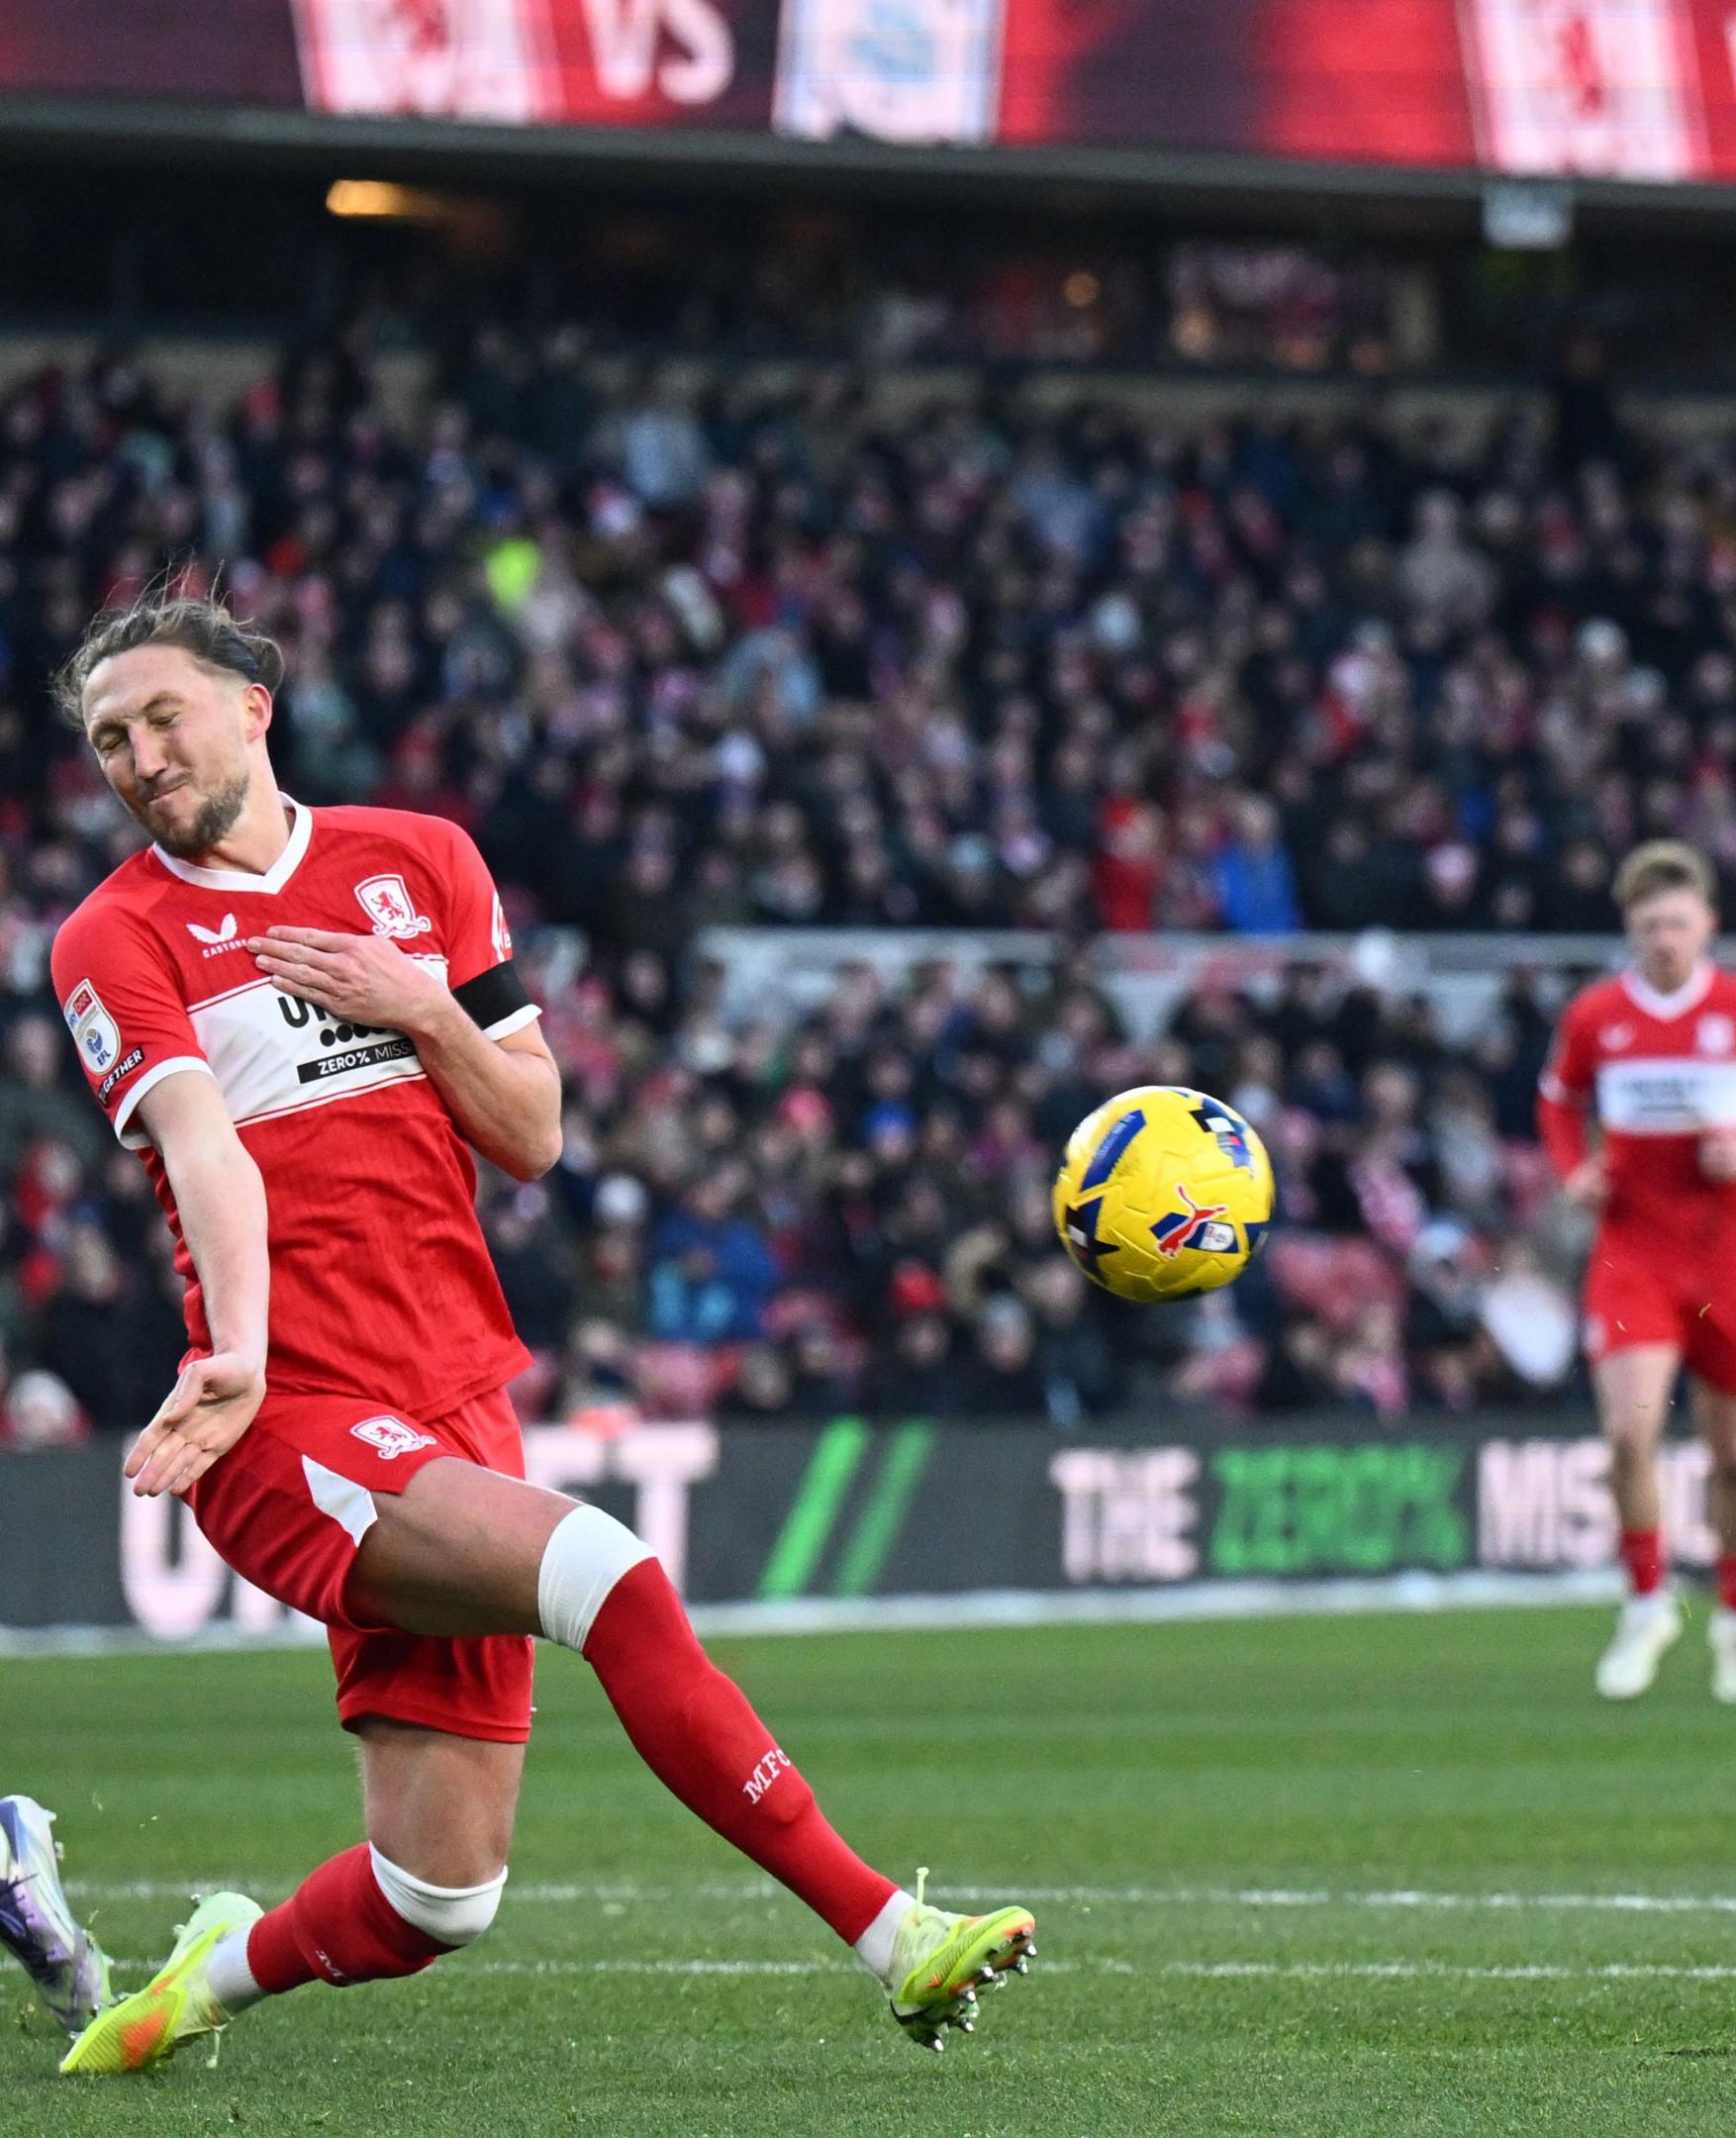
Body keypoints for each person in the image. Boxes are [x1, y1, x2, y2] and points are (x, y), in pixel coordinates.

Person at [1, 592, 1032, 2076]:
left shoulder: (420, 862)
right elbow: (202, 1147)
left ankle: (195, 1982)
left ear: (251, 709)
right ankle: (894, 1939)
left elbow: (534, 1132)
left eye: (164, 716)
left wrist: (425, 1009)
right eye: (110, 739)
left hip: (453, 1401)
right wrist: (235, 1347)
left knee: (436, 1896)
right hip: (280, 1408)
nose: (140, 755)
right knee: (609, 1574)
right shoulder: (116, 934)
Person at [1537, 840, 1736, 1704]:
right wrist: (1573, 1171)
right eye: (1648, 924)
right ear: (1630, 930)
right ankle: (1646, 1601)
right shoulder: (1597, 1019)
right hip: (1634, 1254)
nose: (1664, 938)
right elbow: (1557, 1103)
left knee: (1733, 1458)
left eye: (1677, 921)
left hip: (1731, 1261)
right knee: (1629, 1435)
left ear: (1707, 923)